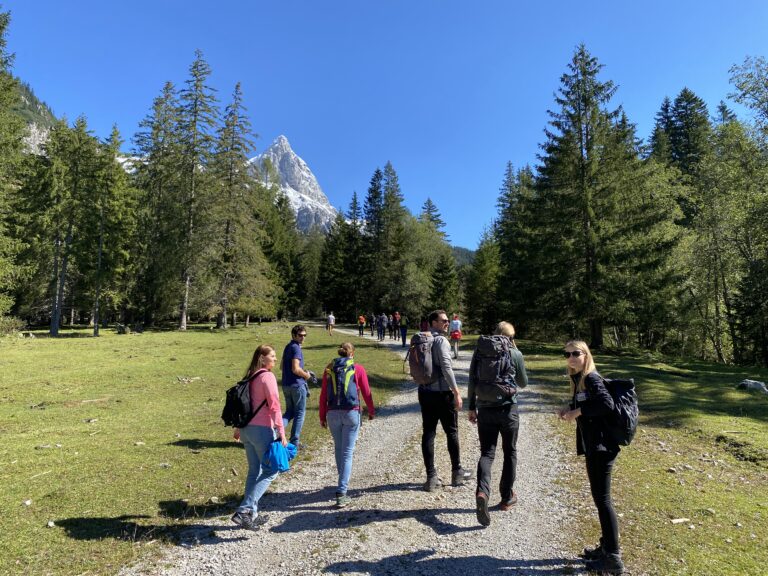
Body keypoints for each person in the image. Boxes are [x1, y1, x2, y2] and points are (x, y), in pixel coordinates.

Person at [557, 340, 625, 575]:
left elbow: (606, 404)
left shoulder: (592, 378)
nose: (571, 358)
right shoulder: (578, 380)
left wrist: (578, 411)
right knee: (600, 499)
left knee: (603, 500)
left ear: (586, 355)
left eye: (576, 353)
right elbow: (588, 404)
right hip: (594, 445)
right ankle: (606, 547)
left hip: (602, 447)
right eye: (567, 354)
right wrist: (569, 409)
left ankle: (613, 558)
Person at [467, 321, 528, 527]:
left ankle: (483, 491)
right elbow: (523, 383)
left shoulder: (480, 352)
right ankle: (506, 496)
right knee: (509, 451)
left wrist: (471, 407)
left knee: (487, 453)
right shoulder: (514, 353)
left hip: (485, 409)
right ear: (511, 337)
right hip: (508, 410)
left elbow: (472, 380)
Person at [231, 345, 287, 531]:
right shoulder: (267, 376)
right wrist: (281, 431)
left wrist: (238, 428)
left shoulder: (250, 376)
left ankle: (251, 516)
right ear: (262, 359)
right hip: (262, 430)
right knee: (272, 470)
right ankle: (244, 510)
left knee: (254, 470)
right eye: (272, 356)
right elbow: (275, 405)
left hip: (246, 429)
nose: (275, 359)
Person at [418, 309, 473, 491]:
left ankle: (431, 477)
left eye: (448, 320)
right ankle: (457, 473)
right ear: (433, 322)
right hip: (442, 394)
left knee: (429, 432)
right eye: (443, 320)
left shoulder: (421, 339)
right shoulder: (441, 340)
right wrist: (456, 392)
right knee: (451, 432)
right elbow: (447, 367)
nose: (447, 323)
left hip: (425, 393)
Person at [319, 342, 375, 507]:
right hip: (351, 412)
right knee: (347, 452)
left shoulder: (329, 368)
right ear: (352, 353)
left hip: (332, 413)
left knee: (339, 448)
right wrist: (371, 410)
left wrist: (322, 415)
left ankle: (341, 480)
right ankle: (342, 492)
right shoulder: (358, 368)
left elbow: (323, 395)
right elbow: (366, 391)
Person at [281, 325, 312, 449]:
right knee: (300, 413)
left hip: (286, 384)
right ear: (294, 335)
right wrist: (306, 375)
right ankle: (294, 442)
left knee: (290, 411)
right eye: (300, 335)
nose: (303, 338)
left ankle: (276, 430)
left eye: (304, 335)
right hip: (297, 386)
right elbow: (295, 369)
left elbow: (282, 366)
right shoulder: (296, 348)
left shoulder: (288, 346)